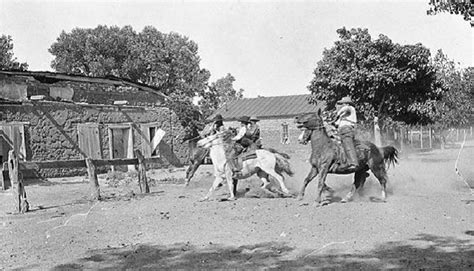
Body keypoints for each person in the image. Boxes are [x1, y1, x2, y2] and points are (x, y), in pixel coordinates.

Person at [334, 96, 359, 171]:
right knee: (339, 146)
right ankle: (342, 162)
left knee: (348, 144)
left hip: (347, 130)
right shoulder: (343, 115)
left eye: (343, 103)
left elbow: (345, 109)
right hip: (341, 131)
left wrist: (337, 114)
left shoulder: (350, 108)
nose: (342, 105)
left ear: (347, 103)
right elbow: (337, 123)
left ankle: (353, 163)